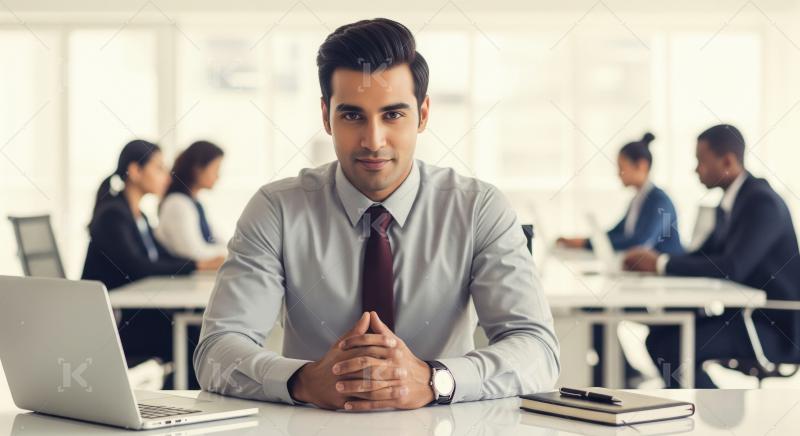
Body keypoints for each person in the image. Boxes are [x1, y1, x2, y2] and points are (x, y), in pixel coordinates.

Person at [194, 18, 559, 411]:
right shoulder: (277, 210)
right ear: (325, 116)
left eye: (393, 115)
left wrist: (435, 379)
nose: (373, 141)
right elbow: (216, 350)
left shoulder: (478, 209)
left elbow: (538, 351)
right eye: (352, 116)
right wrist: (302, 381)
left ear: (422, 115)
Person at [624, 124, 800, 388]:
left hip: (774, 327)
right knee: (660, 338)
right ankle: (708, 417)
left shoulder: (761, 202)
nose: (696, 169)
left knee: (671, 346)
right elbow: (703, 255)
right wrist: (656, 261)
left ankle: (710, 422)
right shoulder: (731, 202)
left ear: (728, 161)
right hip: (745, 316)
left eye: (701, 161)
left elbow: (733, 267)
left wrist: (661, 263)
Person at [82, 139, 221, 365]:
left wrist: (198, 263)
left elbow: (159, 257)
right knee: (195, 338)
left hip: (134, 314)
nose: (166, 176)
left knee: (198, 329)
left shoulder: (140, 216)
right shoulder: (113, 216)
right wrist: (196, 265)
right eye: (159, 168)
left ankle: (179, 392)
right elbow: (139, 267)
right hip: (116, 323)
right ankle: (180, 395)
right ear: (136, 171)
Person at [558, 132, 683, 254]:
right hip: (645, 272)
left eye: (621, 168)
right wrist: (586, 241)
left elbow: (640, 242)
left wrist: (586, 244)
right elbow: (617, 232)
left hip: (668, 273)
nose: (618, 174)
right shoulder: (638, 200)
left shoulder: (660, 201)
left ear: (641, 165)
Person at [156, 140, 228, 261]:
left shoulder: (195, 203)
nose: (218, 176)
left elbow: (217, 240)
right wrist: (230, 254)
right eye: (215, 169)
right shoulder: (177, 203)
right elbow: (193, 252)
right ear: (198, 169)